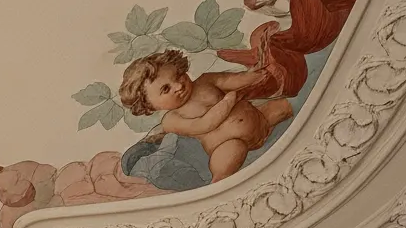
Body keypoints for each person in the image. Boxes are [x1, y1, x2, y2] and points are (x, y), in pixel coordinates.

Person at [117, 50, 294, 182]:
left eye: (178, 75)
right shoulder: (172, 119)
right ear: (150, 106)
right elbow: (204, 124)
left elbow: (234, 80)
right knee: (228, 158)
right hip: (227, 144)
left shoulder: (205, 81)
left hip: (261, 119)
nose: (178, 86)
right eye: (166, 89)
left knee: (284, 105)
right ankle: (219, 185)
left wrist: (254, 76)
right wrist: (228, 101)